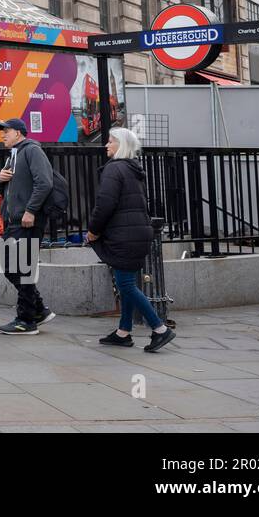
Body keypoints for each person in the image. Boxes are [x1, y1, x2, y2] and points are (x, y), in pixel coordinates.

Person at [89, 128, 175, 352]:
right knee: (126, 281)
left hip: (123, 235)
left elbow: (104, 205)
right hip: (138, 234)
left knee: (126, 284)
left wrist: (93, 231)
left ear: (122, 146)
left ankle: (159, 329)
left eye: (110, 141)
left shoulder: (114, 169)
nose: (106, 145)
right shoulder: (132, 170)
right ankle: (123, 332)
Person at [0, 119, 56, 335]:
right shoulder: (13, 155)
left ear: (19, 133)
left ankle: (26, 320)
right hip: (15, 221)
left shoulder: (32, 151)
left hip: (28, 220)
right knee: (11, 267)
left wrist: (31, 211)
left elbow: (45, 183)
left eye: (6, 131)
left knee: (22, 268)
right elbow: (10, 189)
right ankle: (38, 310)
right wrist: (0, 179)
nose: (2, 135)